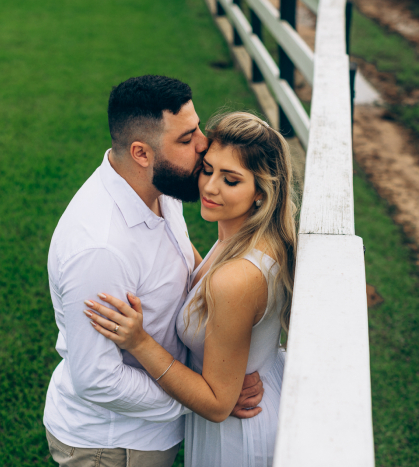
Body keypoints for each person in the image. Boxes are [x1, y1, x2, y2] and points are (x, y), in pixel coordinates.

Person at [42, 76, 264, 467]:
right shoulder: (101, 248)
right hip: (113, 447)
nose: (203, 145)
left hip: (151, 433)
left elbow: (190, 271)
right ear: (142, 153)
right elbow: (99, 380)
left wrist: (220, 378)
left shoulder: (161, 188)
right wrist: (205, 398)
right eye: (186, 139)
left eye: (197, 129)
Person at [87, 111, 297, 467]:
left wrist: (140, 343)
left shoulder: (236, 278)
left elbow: (218, 404)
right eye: (208, 169)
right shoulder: (249, 239)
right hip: (251, 404)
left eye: (231, 180)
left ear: (262, 193)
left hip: (238, 435)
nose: (210, 187)